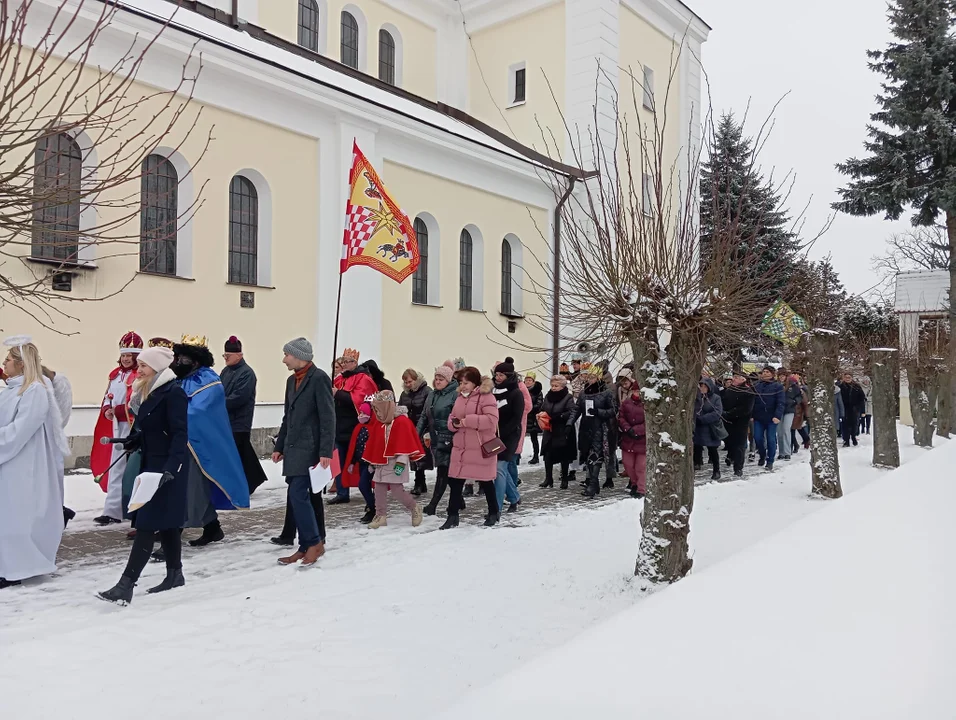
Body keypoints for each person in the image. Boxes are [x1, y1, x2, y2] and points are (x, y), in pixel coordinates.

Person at [98, 345, 188, 604]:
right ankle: (175, 574)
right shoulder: (149, 392)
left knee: (147, 523)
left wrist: (172, 467)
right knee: (168, 523)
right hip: (151, 463)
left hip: (167, 468)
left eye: (144, 366)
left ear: (157, 368)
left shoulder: (174, 393)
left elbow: (179, 433)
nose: (138, 370)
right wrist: (134, 439)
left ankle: (126, 584)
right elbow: (151, 429)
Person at [0, 338, 70, 590]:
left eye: (7, 360)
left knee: (17, 517)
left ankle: (18, 567)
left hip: (24, 463)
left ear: (20, 364)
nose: (3, 363)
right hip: (8, 461)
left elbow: (22, 429)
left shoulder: (35, 391)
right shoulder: (9, 390)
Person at [171, 335, 250, 548]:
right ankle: (213, 528)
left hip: (200, 445)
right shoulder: (181, 378)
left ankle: (173, 537)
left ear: (195, 361)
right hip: (182, 443)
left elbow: (198, 413)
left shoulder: (208, 380)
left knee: (190, 489)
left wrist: (173, 417)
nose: (176, 362)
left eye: (181, 358)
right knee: (190, 488)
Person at [272, 338, 334, 566]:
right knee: (308, 497)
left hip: (311, 449)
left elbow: (328, 417)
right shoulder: (291, 381)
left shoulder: (319, 379)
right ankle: (308, 545)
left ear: (299, 356)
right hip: (293, 448)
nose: (284, 359)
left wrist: (326, 450)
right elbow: (288, 416)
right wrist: (279, 446)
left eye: (287, 355)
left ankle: (314, 543)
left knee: (298, 495)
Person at [91, 331, 143, 525]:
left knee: (127, 468)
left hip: (131, 427)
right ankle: (112, 509)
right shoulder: (115, 375)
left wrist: (120, 410)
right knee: (115, 467)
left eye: (129, 355)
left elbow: (137, 401)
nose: (126, 359)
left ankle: (126, 509)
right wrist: (106, 409)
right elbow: (108, 396)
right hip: (116, 426)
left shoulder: (140, 375)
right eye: (123, 355)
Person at [359, 391, 425, 529]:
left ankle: (414, 508)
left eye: (378, 409)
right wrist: (372, 462)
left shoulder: (402, 422)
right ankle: (380, 515)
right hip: (380, 464)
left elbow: (405, 444)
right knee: (379, 489)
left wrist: (401, 462)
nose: (376, 413)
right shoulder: (380, 423)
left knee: (396, 490)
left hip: (396, 463)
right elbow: (375, 444)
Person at [447, 367, 500, 528]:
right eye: (461, 383)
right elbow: (453, 416)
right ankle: (452, 516)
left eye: (466, 383)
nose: (463, 386)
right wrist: (453, 424)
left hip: (480, 447)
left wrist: (466, 421)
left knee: (486, 481)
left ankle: (493, 512)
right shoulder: (459, 398)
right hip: (461, 447)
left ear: (475, 383)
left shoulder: (486, 397)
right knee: (456, 482)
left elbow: (491, 420)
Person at [220, 336, 268, 495]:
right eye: (224, 355)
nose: (225, 358)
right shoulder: (225, 371)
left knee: (240, 454)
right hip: (226, 421)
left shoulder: (247, 373)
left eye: (228, 355)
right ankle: (248, 481)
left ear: (239, 355)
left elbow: (240, 397)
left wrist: (217, 404)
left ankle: (248, 483)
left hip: (240, 422)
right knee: (238, 454)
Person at [330, 348, 378, 505]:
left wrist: (337, 394)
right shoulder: (338, 379)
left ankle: (369, 492)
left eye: (346, 362)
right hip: (338, 427)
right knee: (339, 460)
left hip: (356, 428)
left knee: (361, 461)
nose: (343, 365)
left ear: (354, 363)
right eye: (341, 362)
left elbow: (359, 401)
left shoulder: (363, 379)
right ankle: (342, 492)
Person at [420, 362, 459, 516]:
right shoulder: (432, 395)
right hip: (435, 439)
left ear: (448, 380)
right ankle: (459, 499)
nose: (437, 381)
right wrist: (416, 434)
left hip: (449, 439)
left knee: (442, 472)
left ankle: (433, 505)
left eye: (441, 379)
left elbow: (457, 416)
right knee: (447, 472)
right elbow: (424, 416)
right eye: (436, 378)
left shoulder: (454, 394)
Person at [41, 365, 75, 527]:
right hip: (42, 439)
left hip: (50, 440)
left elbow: (60, 416)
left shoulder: (58, 384)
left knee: (52, 481)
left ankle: (58, 514)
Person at [576, 365, 616, 498]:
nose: (590, 380)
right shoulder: (583, 392)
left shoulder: (606, 392)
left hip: (600, 428)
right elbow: (577, 409)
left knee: (597, 455)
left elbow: (613, 410)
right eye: (588, 377)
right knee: (588, 455)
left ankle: (593, 484)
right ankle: (593, 483)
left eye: (592, 377)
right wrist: (569, 422)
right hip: (586, 427)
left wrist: (598, 412)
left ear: (599, 377)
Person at [491, 359, 525, 513]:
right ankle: (514, 497)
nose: (497, 377)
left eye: (501, 375)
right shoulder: (491, 391)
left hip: (509, 436)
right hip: (492, 436)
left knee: (499, 469)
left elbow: (516, 419)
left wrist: (501, 432)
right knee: (499, 470)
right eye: (496, 374)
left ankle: (495, 508)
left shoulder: (516, 393)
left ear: (509, 376)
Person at [537, 375, 577, 489]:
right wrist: (541, 415)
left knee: (563, 455)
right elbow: (543, 408)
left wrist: (560, 416)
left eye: (556, 386)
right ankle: (548, 479)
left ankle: (564, 479)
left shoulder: (568, 397)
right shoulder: (548, 396)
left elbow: (571, 411)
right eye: (552, 385)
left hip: (562, 429)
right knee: (548, 454)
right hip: (549, 429)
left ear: (563, 386)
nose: (553, 388)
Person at [398, 369, 432, 496]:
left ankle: (419, 482)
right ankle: (420, 482)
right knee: (413, 455)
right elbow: (401, 409)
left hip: (424, 427)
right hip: (410, 427)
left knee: (421, 455)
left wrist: (427, 429)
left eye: (410, 381)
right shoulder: (404, 394)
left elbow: (428, 411)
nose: (408, 384)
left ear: (416, 380)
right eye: (405, 382)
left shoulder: (427, 391)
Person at [722, 370, 755, 478]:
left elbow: (746, 409)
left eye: (737, 377)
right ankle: (731, 456)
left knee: (740, 445)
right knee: (730, 442)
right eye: (734, 377)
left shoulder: (748, 391)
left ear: (743, 379)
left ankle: (738, 468)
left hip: (741, 422)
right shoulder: (729, 390)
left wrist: (730, 413)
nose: (734, 379)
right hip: (728, 421)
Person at [751, 366, 784, 472]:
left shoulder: (777, 386)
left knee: (771, 439)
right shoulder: (757, 386)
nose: (765, 374)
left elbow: (781, 402)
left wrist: (777, 416)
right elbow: (752, 401)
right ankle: (762, 454)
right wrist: (751, 414)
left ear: (772, 374)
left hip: (771, 417)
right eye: (764, 372)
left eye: (767, 372)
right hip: (758, 417)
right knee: (758, 438)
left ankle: (770, 461)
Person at [617, 383, 646, 498]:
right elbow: (621, 417)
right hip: (628, 437)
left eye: (639, 392)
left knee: (641, 466)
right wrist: (627, 429)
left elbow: (649, 421)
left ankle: (641, 488)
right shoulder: (626, 403)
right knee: (628, 464)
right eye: (635, 391)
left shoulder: (647, 404)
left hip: (642, 439)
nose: (637, 394)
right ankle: (634, 483)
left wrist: (638, 430)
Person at [694, 377, 725, 480]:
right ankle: (697, 463)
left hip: (710, 427)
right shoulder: (697, 398)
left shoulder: (715, 398)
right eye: (701, 386)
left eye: (704, 386)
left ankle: (716, 470)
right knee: (696, 446)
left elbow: (717, 412)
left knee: (712, 449)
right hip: (698, 427)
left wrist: (703, 419)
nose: (702, 388)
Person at [777, 368, 802, 461]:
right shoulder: (776, 385)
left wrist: (794, 401)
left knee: (786, 430)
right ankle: (781, 452)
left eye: (783, 375)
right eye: (780, 376)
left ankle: (787, 452)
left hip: (789, 409)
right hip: (778, 410)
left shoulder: (792, 385)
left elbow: (800, 395)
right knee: (779, 432)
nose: (781, 377)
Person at [839, 373, 867, 447]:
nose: (847, 378)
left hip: (855, 408)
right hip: (844, 408)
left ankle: (853, 437)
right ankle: (846, 440)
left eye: (849, 377)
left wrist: (862, 410)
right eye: (846, 377)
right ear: (843, 378)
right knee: (845, 425)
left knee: (854, 424)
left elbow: (862, 399)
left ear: (851, 378)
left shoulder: (856, 386)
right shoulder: (840, 387)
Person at [524, 372, 543, 465]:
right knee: (518, 438)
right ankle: (517, 456)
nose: (527, 382)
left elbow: (539, 404)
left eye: (530, 380)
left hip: (533, 417)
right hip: (523, 417)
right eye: (526, 380)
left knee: (533, 438)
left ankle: (536, 456)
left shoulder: (537, 391)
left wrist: (529, 408)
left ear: (533, 381)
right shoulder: (521, 390)